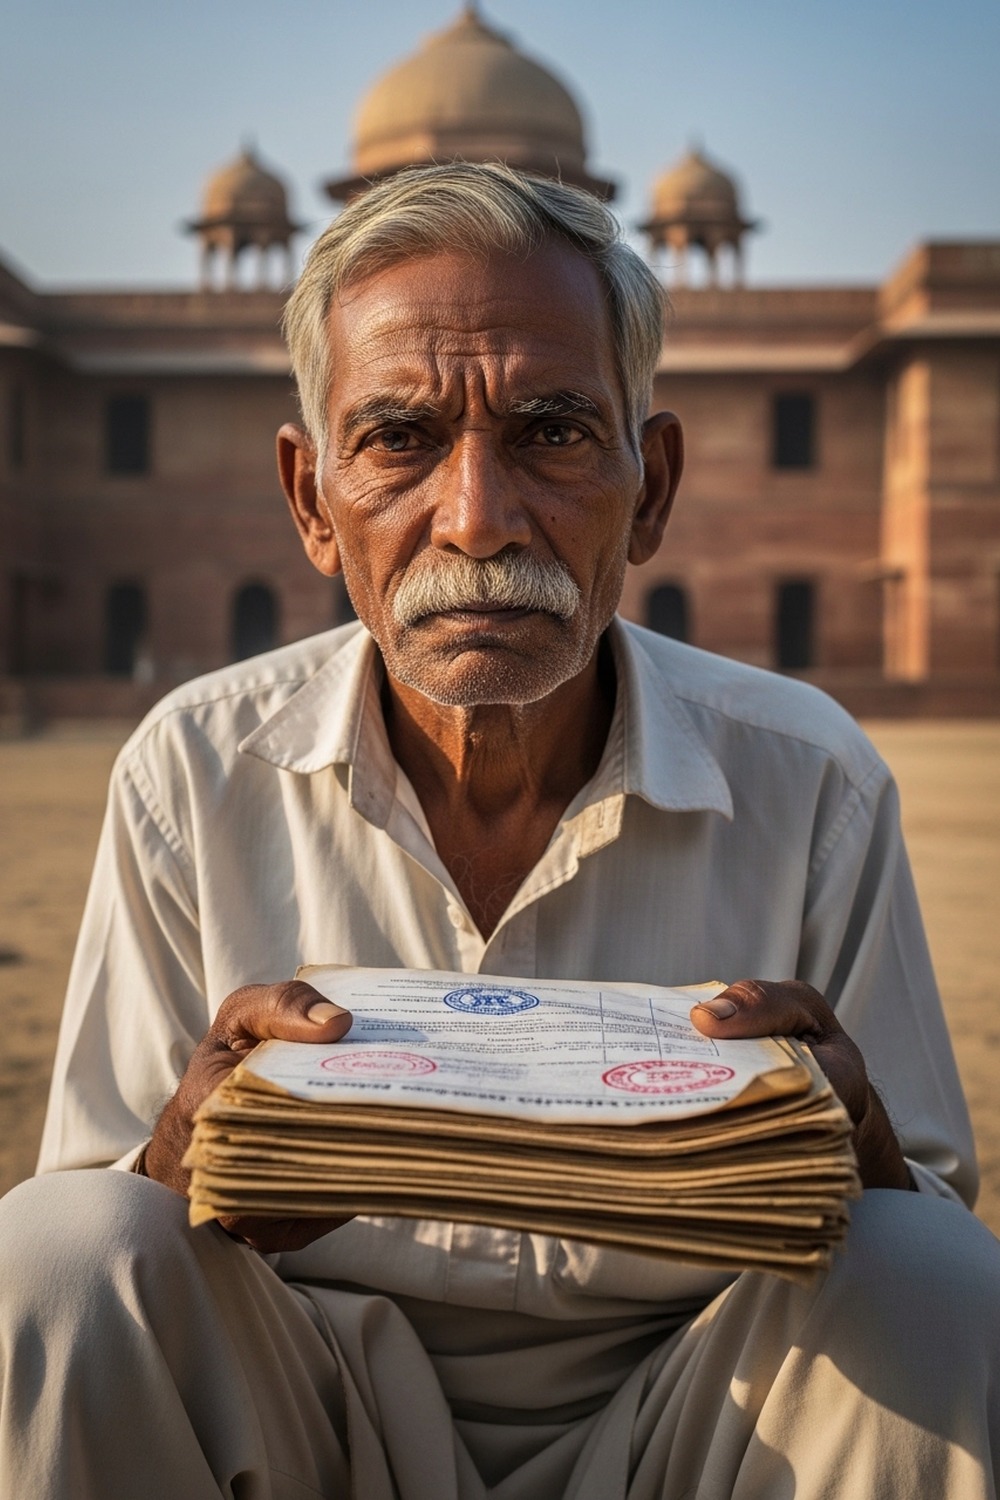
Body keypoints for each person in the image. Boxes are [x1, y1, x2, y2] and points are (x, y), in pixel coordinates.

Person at [1, 162, 997, 1500]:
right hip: (307, 1417)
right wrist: (200, 1151)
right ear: (309, 498)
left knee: (927, 1277)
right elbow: (107, 1227)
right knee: (60, 1259)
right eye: (400, 438)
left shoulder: (806, 779)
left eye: (553, 431)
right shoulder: (198, 768)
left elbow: (921, 1223)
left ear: (652, 489)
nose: (477, 519)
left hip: (706, 1420)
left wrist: (846, 1138)